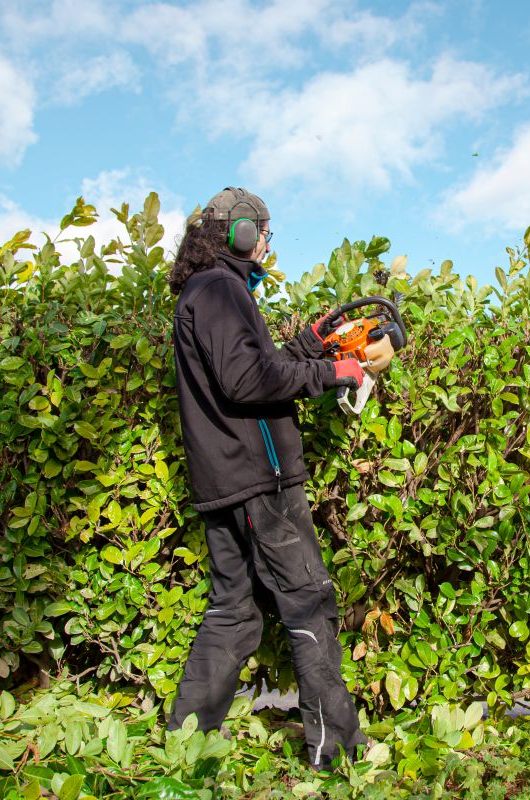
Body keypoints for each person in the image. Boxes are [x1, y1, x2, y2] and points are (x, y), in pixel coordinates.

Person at [165, 186, 368, 770]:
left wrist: (306, 348)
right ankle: (339, 754)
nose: (268, 242)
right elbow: (247, 381)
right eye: (264, 232)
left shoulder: (204, 292)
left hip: (224, 480)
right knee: (308, 604)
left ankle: (183, 747)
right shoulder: (223, 290)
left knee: (234, 610)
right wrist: (333, 371)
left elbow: (250, 369)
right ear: (242, 233)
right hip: (263, 481)